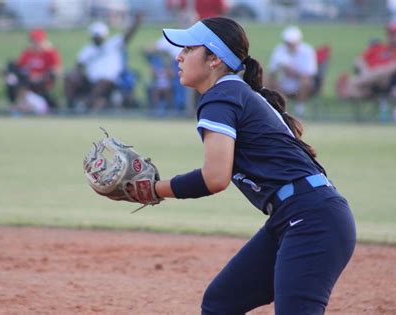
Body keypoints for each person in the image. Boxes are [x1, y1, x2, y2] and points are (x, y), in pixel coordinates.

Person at [151, 17, 356, 314]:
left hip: (311, 219)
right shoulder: (234, 93)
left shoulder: (222, 96)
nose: (179, 56)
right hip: (297, 215)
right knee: (221, 302)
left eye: (189, 48)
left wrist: (152, 190)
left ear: (214, 59)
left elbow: (215, 178)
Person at [64, 13, 142, 112]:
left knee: (102, 82)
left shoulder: (113, 44)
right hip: (91, 81)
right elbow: (78, 66)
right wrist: (76, 74)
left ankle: (86, 106)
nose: (97, 38)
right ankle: (70, 107)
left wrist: (137, 22)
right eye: (95, 35)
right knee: (70, 77)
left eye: (99, 35)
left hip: (110, 82)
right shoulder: (88, 49)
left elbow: (128, 35)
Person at [336, 22, 396, 101]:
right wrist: (365, 71)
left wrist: (392, 66)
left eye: (395, 34)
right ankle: (348, 89)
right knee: (359, 90)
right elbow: (359, 60)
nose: (392, 36)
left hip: (393, 82)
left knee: (384, 70)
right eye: (390, 33)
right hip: (373, 82)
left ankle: (352, 82)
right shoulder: (379, 48)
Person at [0, 28, 62, 112]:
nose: (35, 43)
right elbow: (20, 66)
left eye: (37, 40)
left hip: (43, 81)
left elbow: (57, 69)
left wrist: (40, 76)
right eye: (33, 40)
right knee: (11, 69)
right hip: (27, 79)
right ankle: (13, 104)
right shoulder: (28, 52)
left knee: (18, 78)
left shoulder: (50, 52)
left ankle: (21, 103)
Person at [267, 26, 318, 117]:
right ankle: (282, 110)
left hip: (300, 84)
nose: (289, 45)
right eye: (287, 43)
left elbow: (309, 74)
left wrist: (294, 73)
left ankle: (299, 109)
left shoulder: (307, 51)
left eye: (291, 43)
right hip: (282, 83)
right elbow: (272, 72)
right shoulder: (279, 50)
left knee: (306, 82)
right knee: (268, 81)